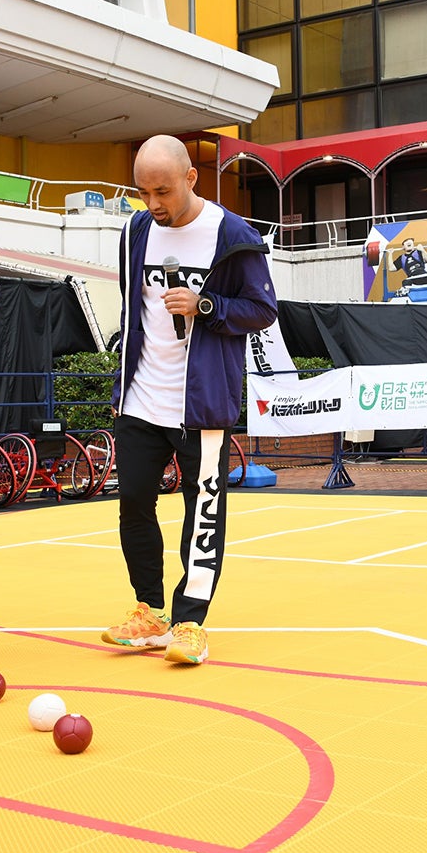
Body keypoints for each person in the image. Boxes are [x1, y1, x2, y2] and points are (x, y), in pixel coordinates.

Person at [100, 135, 277, 666]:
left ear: (191, 179)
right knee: (133, 502)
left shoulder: (232, 234)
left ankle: (190, 621)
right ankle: (149, 610)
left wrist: (206, 305)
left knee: (202, 512)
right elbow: (135, 314)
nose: (153, 204)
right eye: (142, 192)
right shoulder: (136, 230)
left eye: (163, 190)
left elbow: (262, 309)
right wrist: (120, 384)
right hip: (140, 398)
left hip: (200, 404)